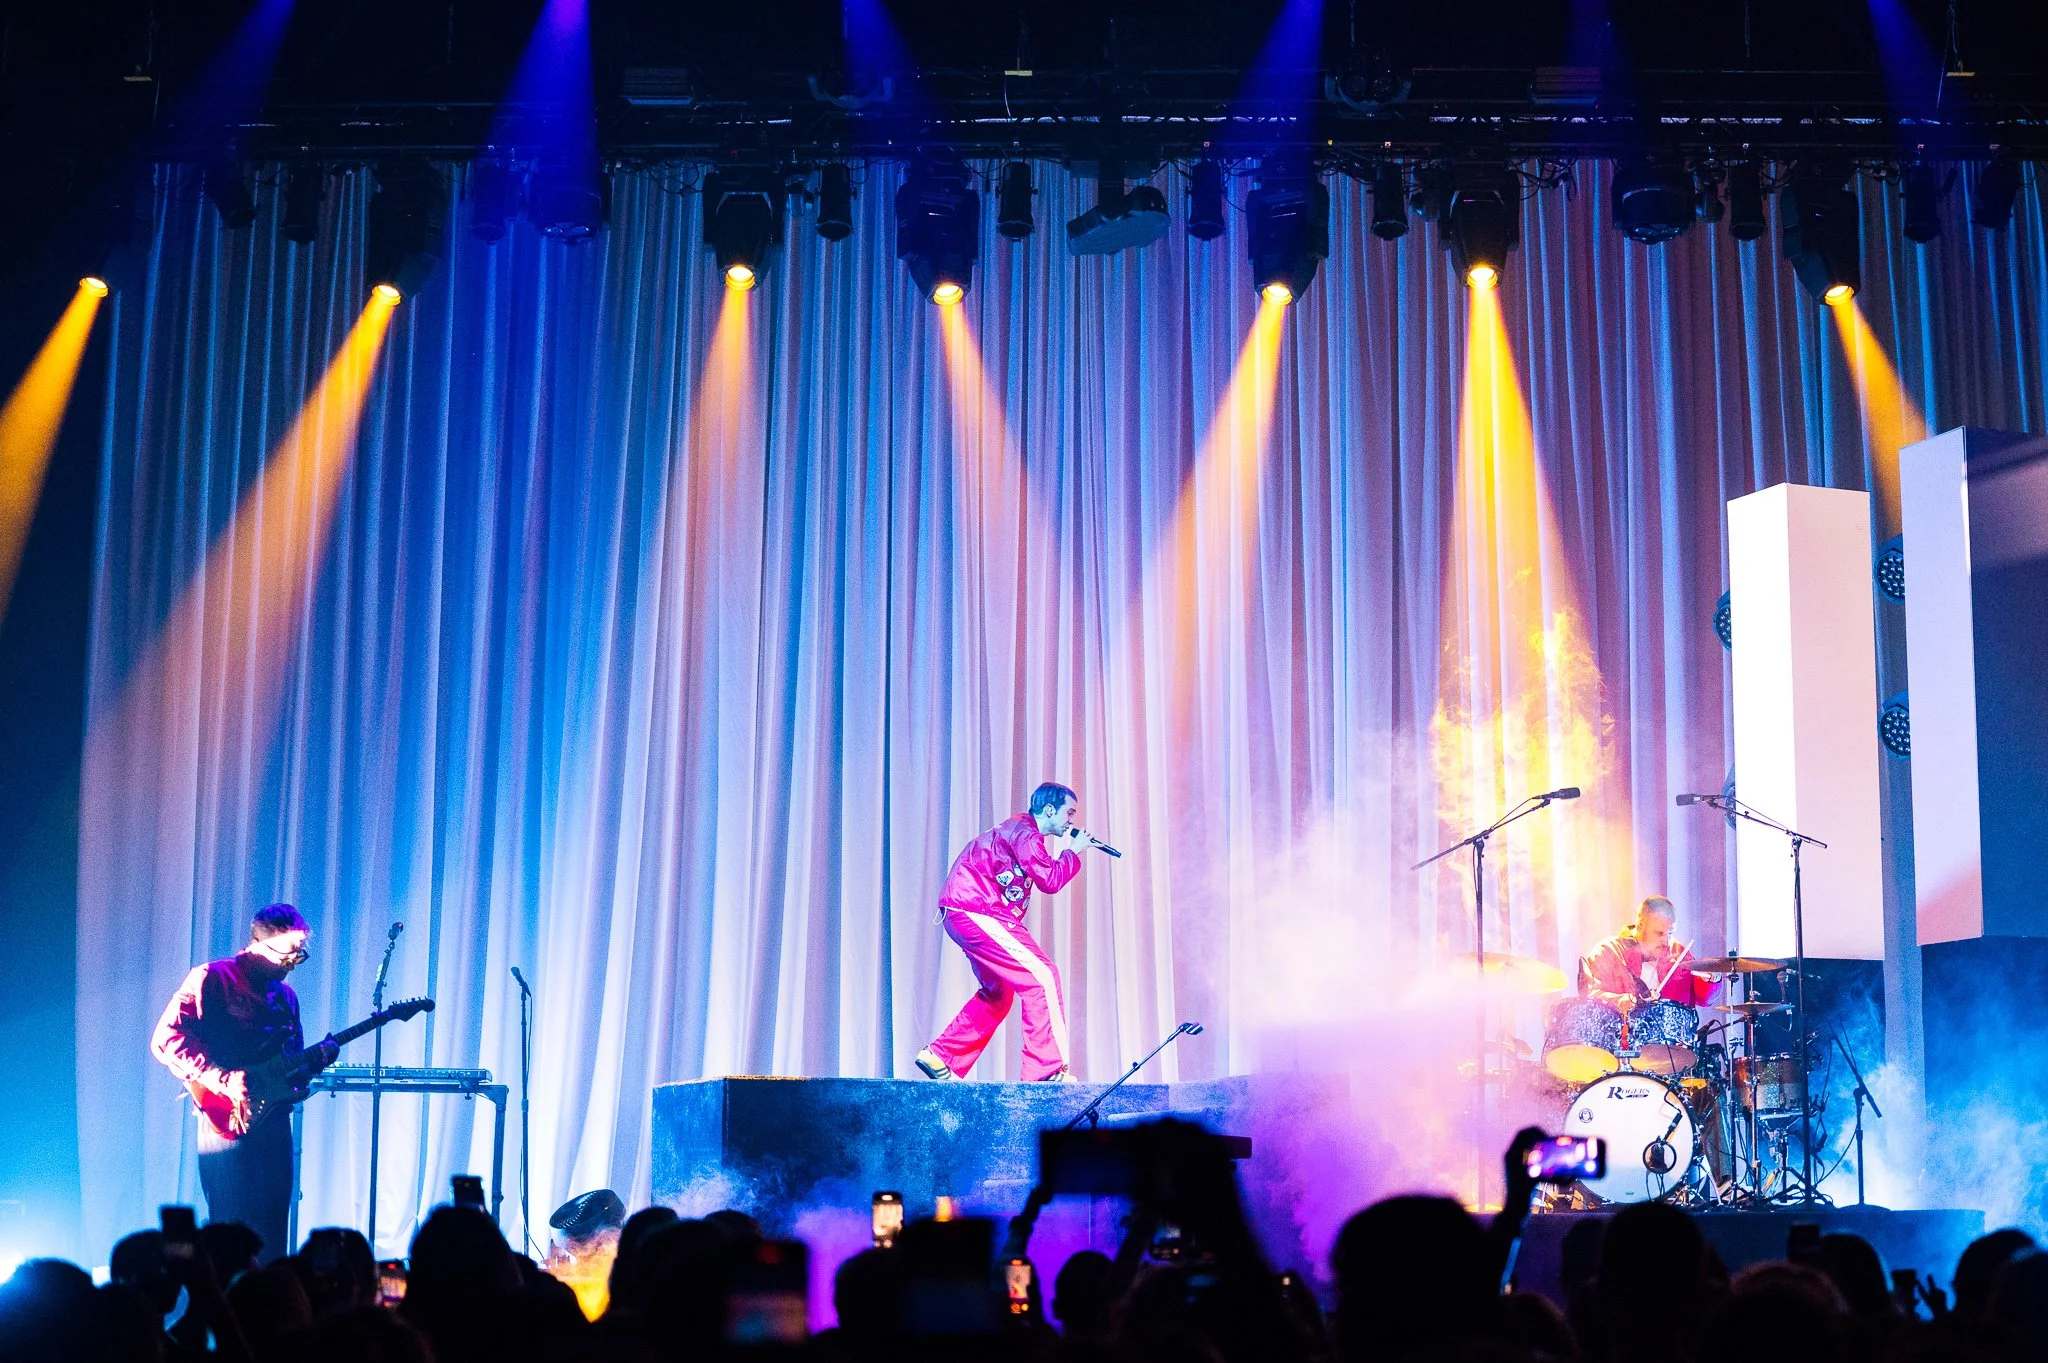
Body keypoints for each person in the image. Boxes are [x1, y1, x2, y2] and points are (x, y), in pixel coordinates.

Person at [150, 903, 336, 1264]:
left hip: (274, 1125)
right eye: (287, 953)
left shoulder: (286, 998)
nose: (292, 963)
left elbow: (288, 1070)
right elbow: (166, 1039)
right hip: (225, 1120)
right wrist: (222, 1078)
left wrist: (312, 1064)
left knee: (273, 1229)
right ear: (258, 945)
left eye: (300, 954)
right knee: (230, 1231)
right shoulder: (211, 978)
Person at [914, 782, 1096, 1083]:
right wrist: (1073, 853)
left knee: (997, 994)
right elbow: (1049, 880)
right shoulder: (1025, 832)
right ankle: (1045, 1071)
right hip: (976, 909)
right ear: (1049, 809)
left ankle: (941, 1055)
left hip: (966, 911)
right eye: (1070, 813)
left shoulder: (1021, 832)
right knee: (1043, 976)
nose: (1072, 821)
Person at [1576, 896, 1714, 1013]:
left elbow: (1704, 999)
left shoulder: (1678, 952)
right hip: (1622, 1034)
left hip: (1672, 1036)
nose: (1666, 942)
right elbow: (1592, 997)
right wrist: (1629, 1002)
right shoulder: (1609, 951)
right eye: (1659, 933)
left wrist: (1711, 980)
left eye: (1670, 934)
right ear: (1640, 926)